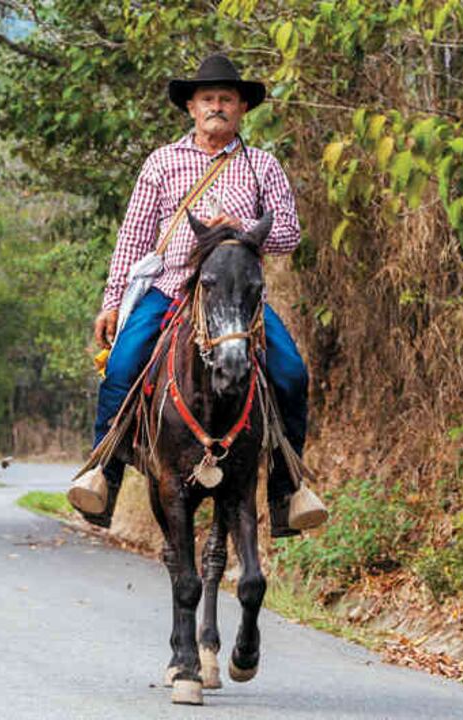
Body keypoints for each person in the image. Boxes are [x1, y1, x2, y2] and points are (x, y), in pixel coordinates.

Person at [67, 53, 324, 537]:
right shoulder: (162, 162)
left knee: (291, 373)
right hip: (169, 291)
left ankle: (288, 491)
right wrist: (112, 301)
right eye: (208, 99)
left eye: (227, 99)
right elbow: (134, 238)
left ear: (242, 108)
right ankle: (103, 475)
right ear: (191, 107)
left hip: (235, 299)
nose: (217, 107)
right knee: (122, 367)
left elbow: (288, 234)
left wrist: (242, 228)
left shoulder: (262, 166)